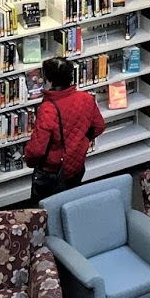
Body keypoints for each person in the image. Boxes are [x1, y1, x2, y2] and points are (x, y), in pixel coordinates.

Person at [23, 55, 105, 203]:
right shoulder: (86, 98)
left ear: (50, 81)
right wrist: (81, 141)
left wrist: (29, 160)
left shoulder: (48, 109)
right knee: (70, 201)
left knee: (44, 208)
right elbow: (99, 126)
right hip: (77, 165)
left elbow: (37, 150)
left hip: (52, 171)